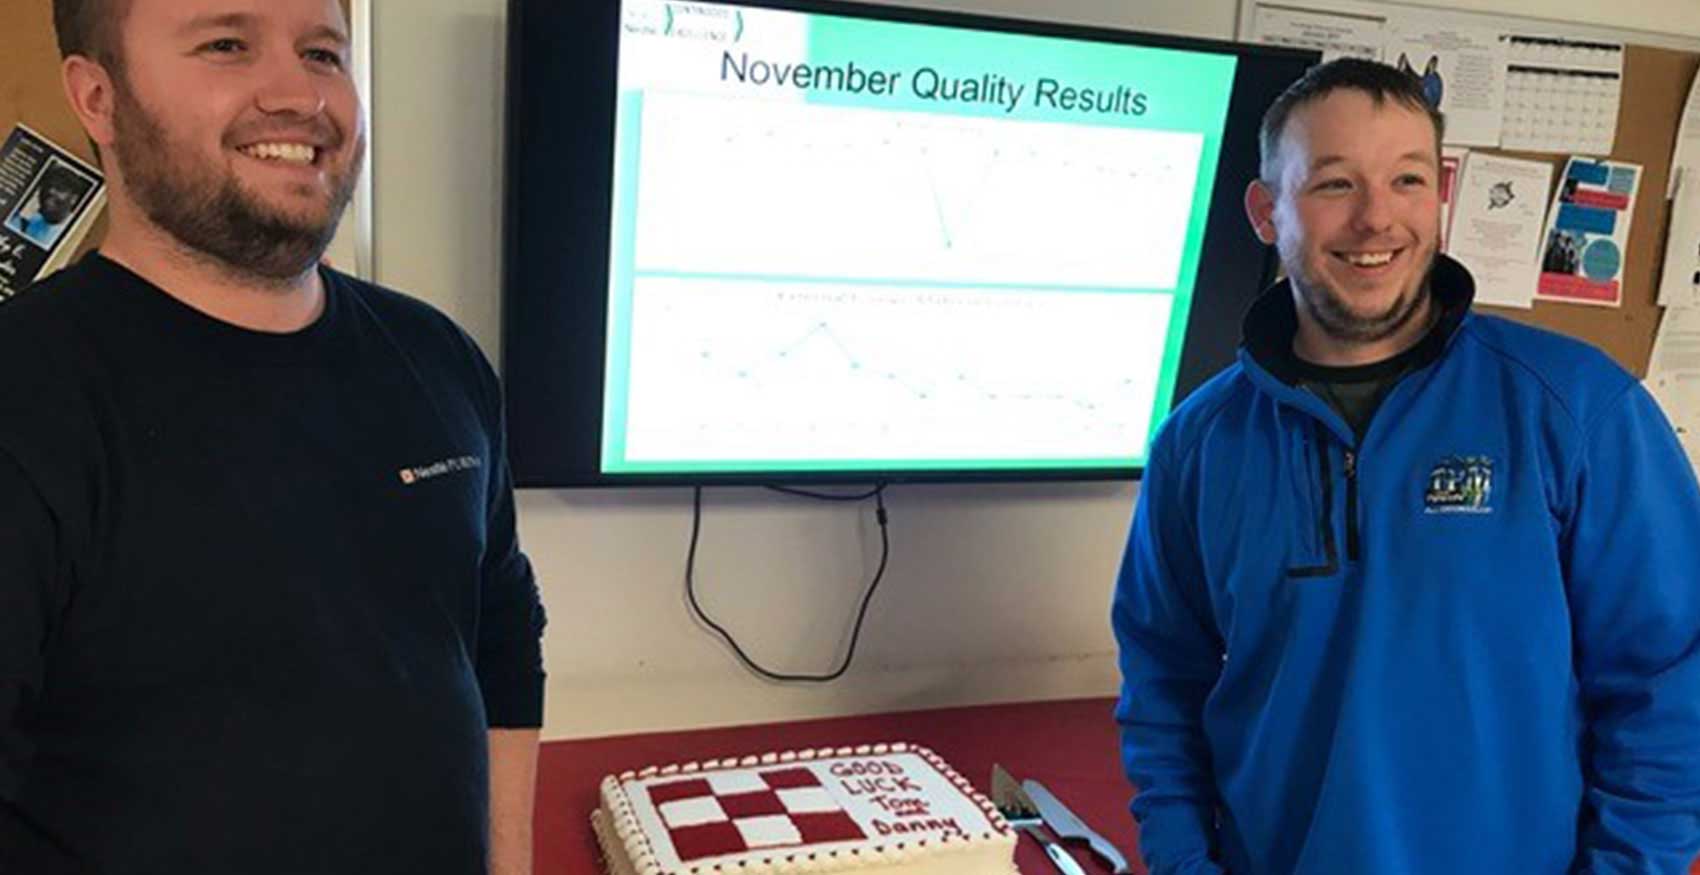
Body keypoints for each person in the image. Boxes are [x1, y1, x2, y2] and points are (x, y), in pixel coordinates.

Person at [1113, 58, 1700, 875]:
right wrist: (1182, 863)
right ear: (1264, 210)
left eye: (1408, 180)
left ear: (1441, 200)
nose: (1375, 219)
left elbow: (1670, 685)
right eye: (1332, 185)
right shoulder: (1198, 444)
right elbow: (1161, 685)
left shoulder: (1577, 411)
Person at [0, 1, 548, 873]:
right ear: (97, 97)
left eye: (324, 52)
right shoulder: (28, 395)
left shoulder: (439, 358)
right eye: (227, 45)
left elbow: (502, 637)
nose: (300, 94)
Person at [5, 164, 87, 248]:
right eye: (47, 186)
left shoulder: (75, 232)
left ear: (73, 199)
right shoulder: (25, 222)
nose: (50, 191)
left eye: (60, 188)